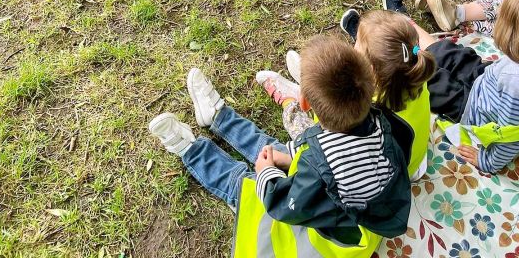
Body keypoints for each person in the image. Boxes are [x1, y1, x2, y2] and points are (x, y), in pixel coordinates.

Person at [149, 36, 412, 257]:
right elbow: (321, 154)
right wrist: (292, 158)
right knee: (276, 152)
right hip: (358, 208)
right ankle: (219, 117)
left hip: (329, 236)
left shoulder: (319, 168)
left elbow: (283, 204)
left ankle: (192, 152)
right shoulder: (382, 121)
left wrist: (266, 173)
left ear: (303, 103)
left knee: (246, 185)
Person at [257, 10, 435, 181]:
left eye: (356, 47)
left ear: (371, 72)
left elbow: (328, 129)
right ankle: (314, 80)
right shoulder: (413, 73)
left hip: (395, 176)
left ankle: (297, 97)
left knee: (307, 126)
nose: (352, 49)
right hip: (415, 163)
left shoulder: (366, 112)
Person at [412, 0, 519, 173]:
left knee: (429, 78)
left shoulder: (517, 85)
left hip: (471, 109)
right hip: (485, 81)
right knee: (449, 52)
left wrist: (487, 161)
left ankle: (398, 47)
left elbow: (510, 135)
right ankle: (404, 28)